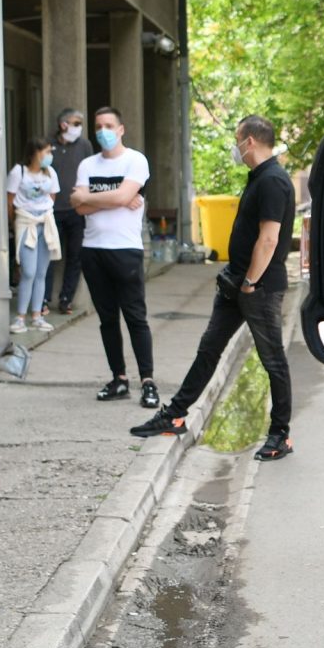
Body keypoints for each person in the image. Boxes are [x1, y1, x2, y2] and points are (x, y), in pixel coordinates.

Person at [131, 116, 295, 459]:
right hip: (236, 283)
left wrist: (250, 283)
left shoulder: (274, 181)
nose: (236, 147)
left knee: (273, 361)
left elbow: (269, 239)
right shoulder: (259, 178)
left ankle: (280, 434)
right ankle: (174, 414)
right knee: (209, 350)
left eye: (237, 139)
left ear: (249, 142)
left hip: (257, 287)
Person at [73, 106, 155, 407]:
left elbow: (93, 199)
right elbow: (78, 206)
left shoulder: (135, 160)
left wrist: (94, 198)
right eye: (98, 126)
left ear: (121, 129)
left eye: (108, 125)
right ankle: (118, 378)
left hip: (126, 250)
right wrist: (117, 199)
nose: (103, 131)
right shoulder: (86, 165)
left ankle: (147, 381)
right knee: (107, 319)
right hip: (93, 250)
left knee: (135, 318)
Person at [7, 138, 61, 336]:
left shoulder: (51, 173)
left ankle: (37, 315)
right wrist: (13, 223)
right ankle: (20, 316)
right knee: (28, 271)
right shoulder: (18, 172)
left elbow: (52, 197)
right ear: (34, 153)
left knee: (41, 272)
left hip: (45, 222)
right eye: (45, 152)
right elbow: (10, 201)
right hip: (26, 222)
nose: (49, 155)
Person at [47, 107, 89, 316]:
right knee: (50, 256)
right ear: (63, 125)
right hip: (52, 211)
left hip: (76, 211)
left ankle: (66, 299)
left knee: (75, 256)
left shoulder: (84, 145)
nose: (78, 128)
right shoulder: (49, 145)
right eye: (75, 123)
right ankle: (45, 299)